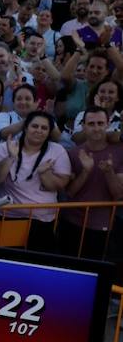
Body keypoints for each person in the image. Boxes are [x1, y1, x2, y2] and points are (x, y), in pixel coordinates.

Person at [0, 110, 70, 253]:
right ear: (26, 127)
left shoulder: (57, 150)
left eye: (44, 128)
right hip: (6, 217)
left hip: (41, 221)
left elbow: (60, 184)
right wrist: (10, 157)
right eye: (35, 126)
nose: (39, 130)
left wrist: (44, 174)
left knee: (37, 265)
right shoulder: (6, 146)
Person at [59, 106, 123, 257]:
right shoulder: (73, 153)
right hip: (71, 223)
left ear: (107, 125)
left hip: (103, 226)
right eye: (91, 124)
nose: (96, 128)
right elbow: (70, 192)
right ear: (83, 126)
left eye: (100, 123)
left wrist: (109, 172)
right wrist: (86, 171)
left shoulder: (120, 152)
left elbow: (118, 194)